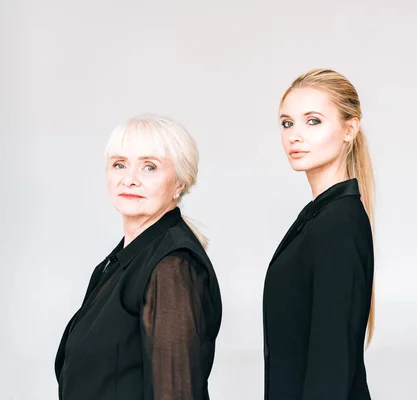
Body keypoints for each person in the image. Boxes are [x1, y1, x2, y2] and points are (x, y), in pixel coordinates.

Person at [54, 114, 222, 400]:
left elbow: (176, 394)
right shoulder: (120, 262)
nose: (129, 179)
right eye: (119, 164)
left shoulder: (172, 267)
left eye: (149, 167)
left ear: (179, 183)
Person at [262, 69, 375, 400]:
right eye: (287, 123)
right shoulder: (319, 217)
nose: (295, 135)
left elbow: (332, 362)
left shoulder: (337, 224)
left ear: (349, 129)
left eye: (313, 121)